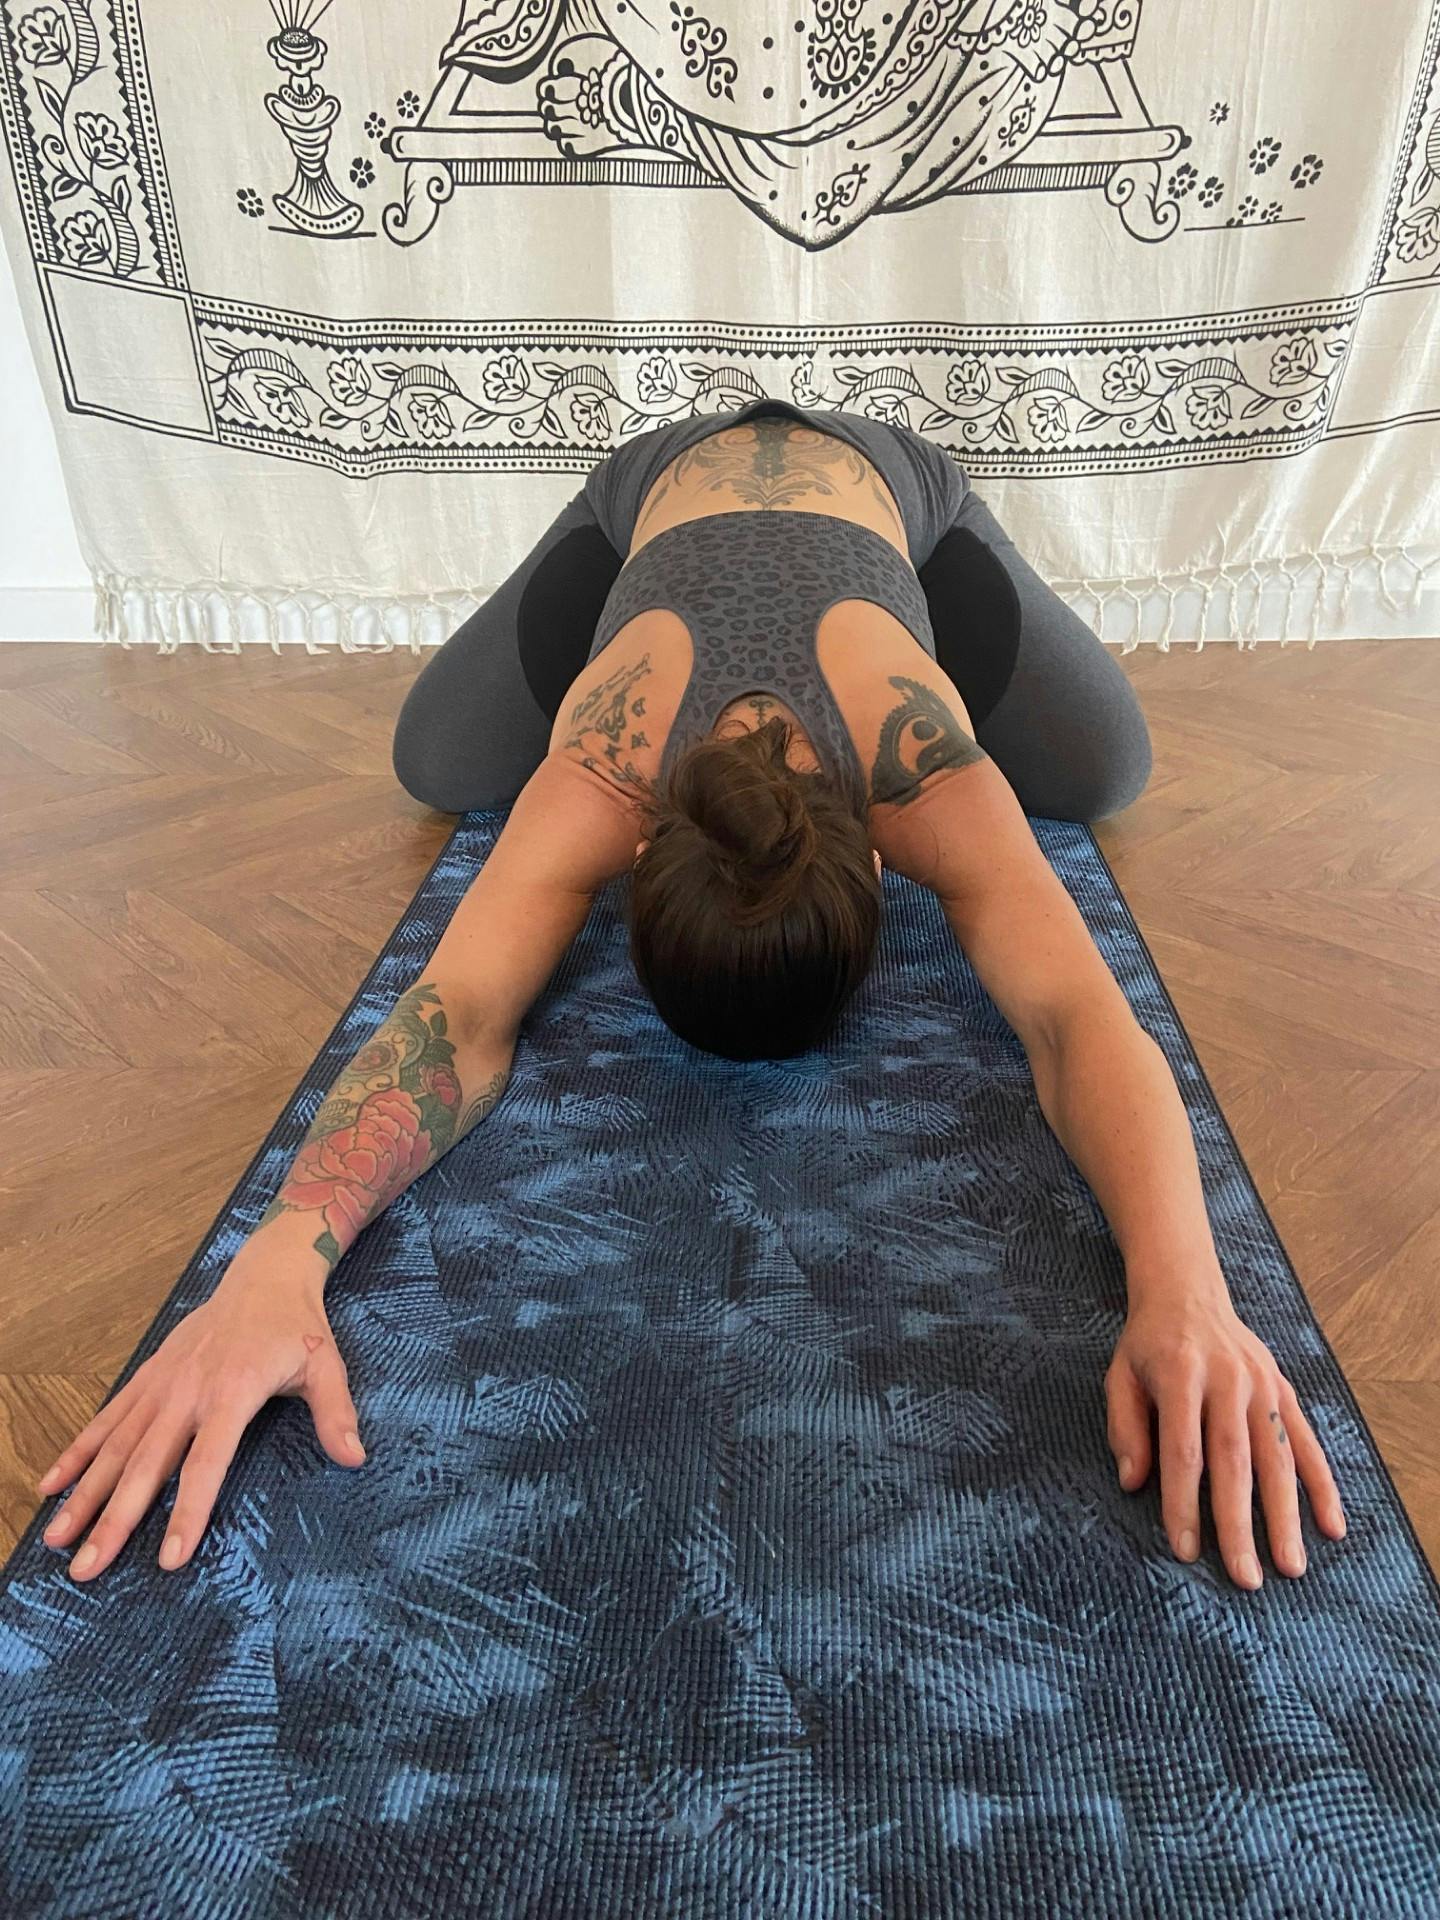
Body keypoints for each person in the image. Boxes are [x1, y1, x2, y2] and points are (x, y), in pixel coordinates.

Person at [33, 400, 1346, 1597]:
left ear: (881, 856)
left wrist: (1187, 1291)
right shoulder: (604, 764)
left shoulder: (922, 763)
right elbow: (458, 1016)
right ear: (641, 843)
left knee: (1109, 770)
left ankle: (913, 534)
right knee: (433, 762)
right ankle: (624, 545)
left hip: (891, 496)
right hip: (654, 492)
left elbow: (1077, 1022)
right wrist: (278, 1258)